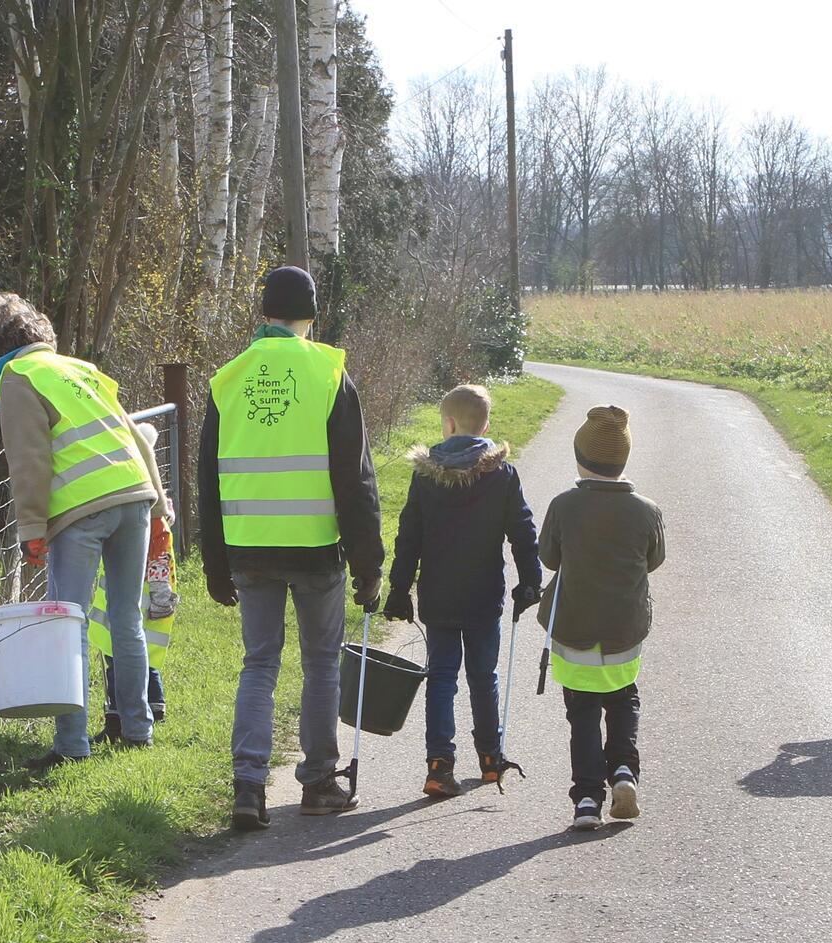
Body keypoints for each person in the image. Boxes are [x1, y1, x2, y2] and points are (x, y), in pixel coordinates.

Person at [199, 266, 385, 831]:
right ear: (312, 314)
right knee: (321, 662)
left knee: (259, 662)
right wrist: (369, 564)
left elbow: (207, 479)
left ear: (264, 313)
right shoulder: (327, 372)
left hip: (248, 548)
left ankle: (248, 786)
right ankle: (319, 782)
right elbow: (355, 479)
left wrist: (214, 564)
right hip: (314, 547)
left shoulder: (228, 378)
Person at [0, 293, 170, 771]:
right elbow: (135, 436)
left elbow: (29, 460)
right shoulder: (82, 370)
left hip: (81, 509)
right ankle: (138, 730)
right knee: (126, 619)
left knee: (69, 626)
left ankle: (72, 744)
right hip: (134, 495)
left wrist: (30, 527)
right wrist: (159, 506)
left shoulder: (17, 377)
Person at [382, 384, 542, 798]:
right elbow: (523, 531)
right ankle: (490, 758)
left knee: (441, 678)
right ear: (485, 426)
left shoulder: (425, 476)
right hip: (483, 595)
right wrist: (530, 580)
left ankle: (439, 765)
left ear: (449, 424)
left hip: (438, 596)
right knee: (483, 677)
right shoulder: (502, 475)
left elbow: (409, 537)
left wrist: (399, 588)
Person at [536, 406, 664, 830]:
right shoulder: (646, 510)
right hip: (624, 631)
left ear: (580, 458)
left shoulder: (564, 506)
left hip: (574, 629)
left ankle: (588, 799)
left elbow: (549, 556)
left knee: (583, 712)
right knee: (624, 697)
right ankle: (624, 770)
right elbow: (654, 560)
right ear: (623, 459)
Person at [89, 422, 177, 743]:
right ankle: (153, 703)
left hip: (135, 587)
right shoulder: (156, 506)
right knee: (142, 645)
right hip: (150, 586)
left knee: (120, 647)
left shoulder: (142, 510)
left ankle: (120, 714)